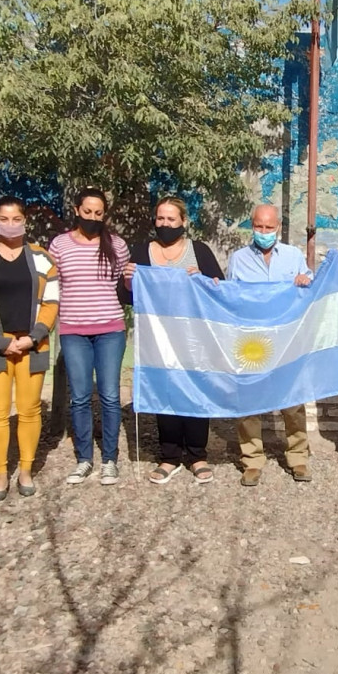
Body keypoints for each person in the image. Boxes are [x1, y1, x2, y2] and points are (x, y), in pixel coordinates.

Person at [0, 196, 59, 501]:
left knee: (30, 410)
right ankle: (1, 473)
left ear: (25, 221)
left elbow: (51, 302)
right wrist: (0, 341)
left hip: (33, 344)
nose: (10, 224)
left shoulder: (43, 259)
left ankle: (27, 470)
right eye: (4, 218)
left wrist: (33, 336)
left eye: (17, 219)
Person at [121, 197, 224, 485]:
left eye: (171, 219)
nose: (165, 224)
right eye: (160, 219)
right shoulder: (142, 251)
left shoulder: (199, 251)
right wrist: (129, 280)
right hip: (159, 338)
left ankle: (197, 455)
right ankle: (169, 457)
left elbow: (220, 289)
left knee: (194, 394)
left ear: (183, 222)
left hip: (195, 338)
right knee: (165, 394)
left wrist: (203, 277)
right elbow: (127, 296)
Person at [226, 204, 313, 486]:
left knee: (292, 401)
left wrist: (305, 279)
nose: (263, 232)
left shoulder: (293, 256)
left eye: (269, 227)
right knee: (249, 401)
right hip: (251, 340)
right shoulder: (238, 259)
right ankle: (252, 460)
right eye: (258, 226)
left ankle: (298, 457)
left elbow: (310, 283)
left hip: (286, 338)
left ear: (278, 227)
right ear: (252, 226)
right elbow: (230, 298)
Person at [49, 187, 130, 486]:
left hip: (110, 329)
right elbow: (51, 286)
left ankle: (110, 459)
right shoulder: (59, 245)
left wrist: (134, 280)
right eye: (88, 212)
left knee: (109, 395)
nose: (93, 217)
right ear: (77, 210)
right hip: (73, 330)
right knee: (80, 397)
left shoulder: (117, 245)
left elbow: (123, 286)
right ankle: (84, 459)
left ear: (104, 214)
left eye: (98, 213)